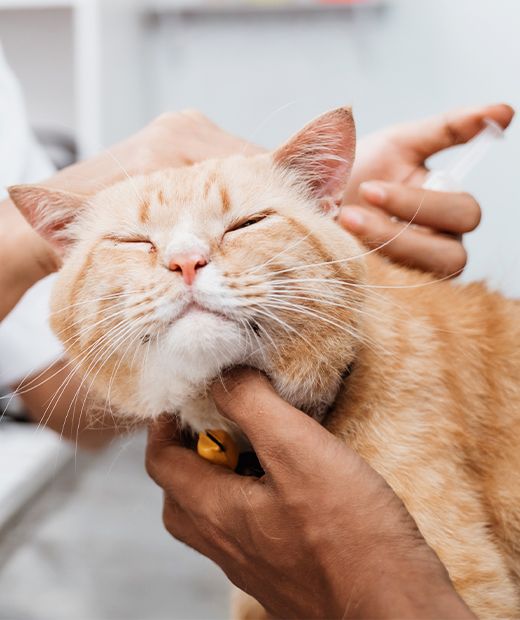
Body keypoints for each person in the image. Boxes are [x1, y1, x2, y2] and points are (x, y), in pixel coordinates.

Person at [0, 48, 511, 613]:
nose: (185, 261)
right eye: (130, 243)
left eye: (246, 224)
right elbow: (59, 393)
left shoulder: (407, 380)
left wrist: (314, 205)